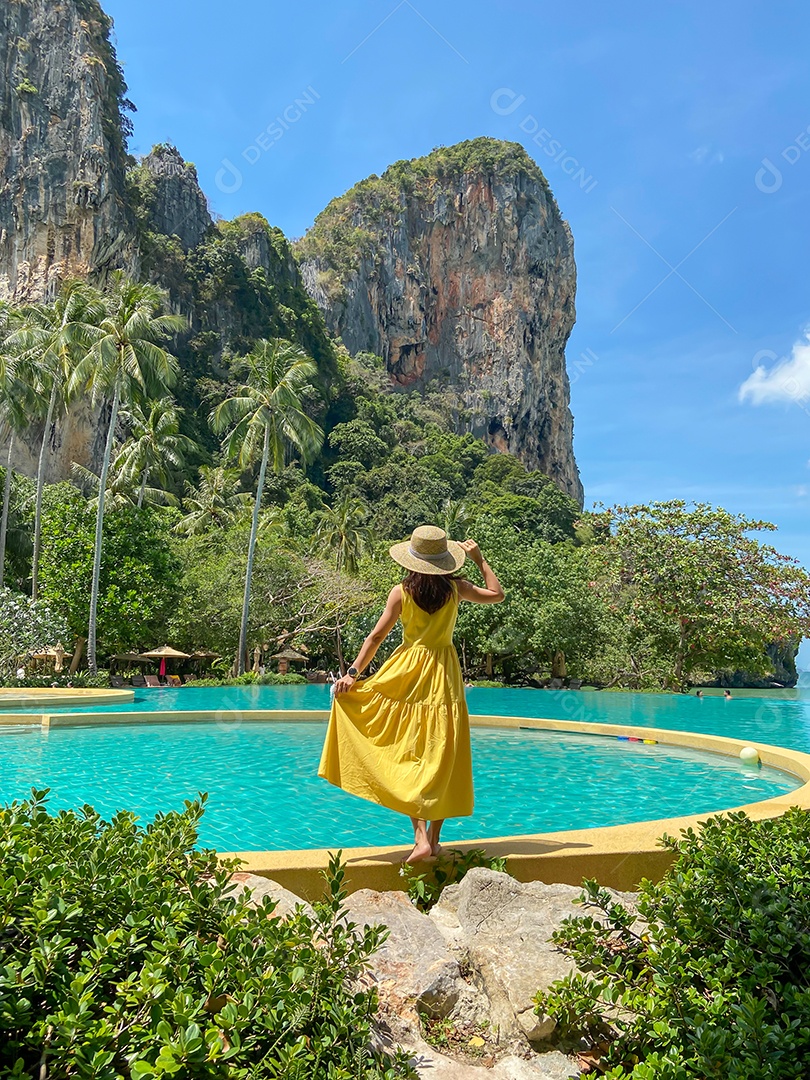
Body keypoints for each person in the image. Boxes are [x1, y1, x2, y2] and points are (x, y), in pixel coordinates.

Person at [318, 525, 504, 863]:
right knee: (442, 753)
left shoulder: (401, 592)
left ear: (412, 560)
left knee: (408, 751)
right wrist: (479, 560)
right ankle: (433, 840)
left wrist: (352, 674)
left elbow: (376, 637)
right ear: (445, 560)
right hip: (444, 673)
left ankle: (419, 839)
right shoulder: (457, 589)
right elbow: (497, 594)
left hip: (405, 672)